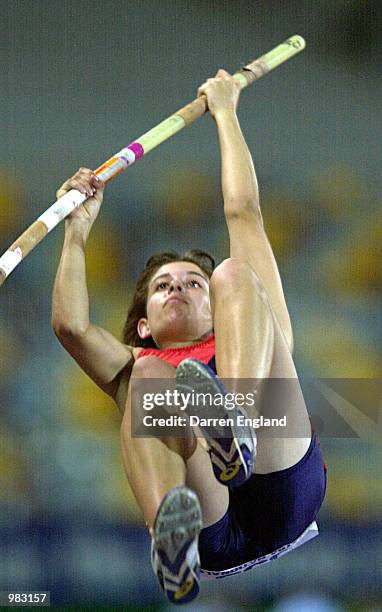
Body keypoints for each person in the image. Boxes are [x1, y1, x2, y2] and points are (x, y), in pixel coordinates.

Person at [52, 70, 327, 605]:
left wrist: (226, 113)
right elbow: (71, 327)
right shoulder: (138, 360)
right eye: (162, 286)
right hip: (209, 525)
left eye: (191, 283)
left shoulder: (249, 323)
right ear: (143, 323)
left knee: (236, 272)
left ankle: (239, 424)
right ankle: (169, 540)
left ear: (214, 307)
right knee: (149, 376)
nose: (178, 286)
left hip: (281, 478)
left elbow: (243, 213)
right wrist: (76, 233)